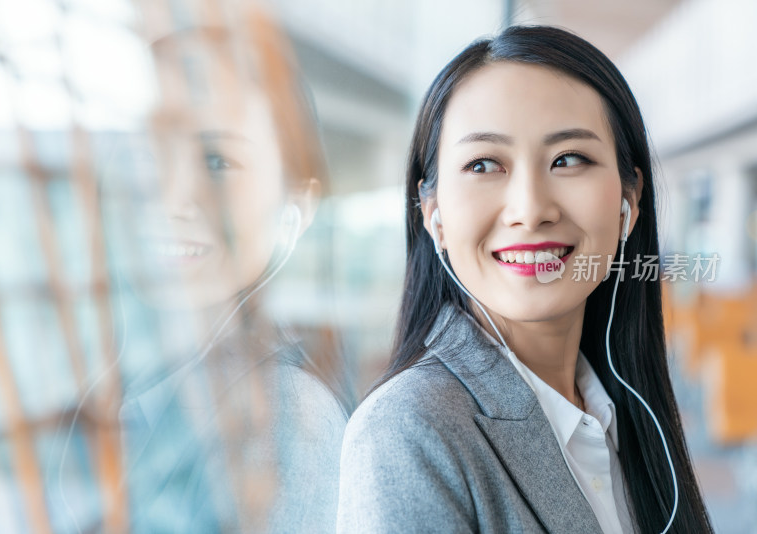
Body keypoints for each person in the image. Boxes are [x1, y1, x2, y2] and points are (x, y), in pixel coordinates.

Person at [337, 26, 712, 534]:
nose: (530, 210)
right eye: (484, 164)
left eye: (569, 159)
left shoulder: (621, 416)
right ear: (433, 212)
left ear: (631, 199)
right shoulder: (407, 431)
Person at [99, 3, 350, 532]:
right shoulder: (133, 379)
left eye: (218, 162)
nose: (174, 199)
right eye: (154, 154)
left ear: (297, 205)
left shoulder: (295, 425)